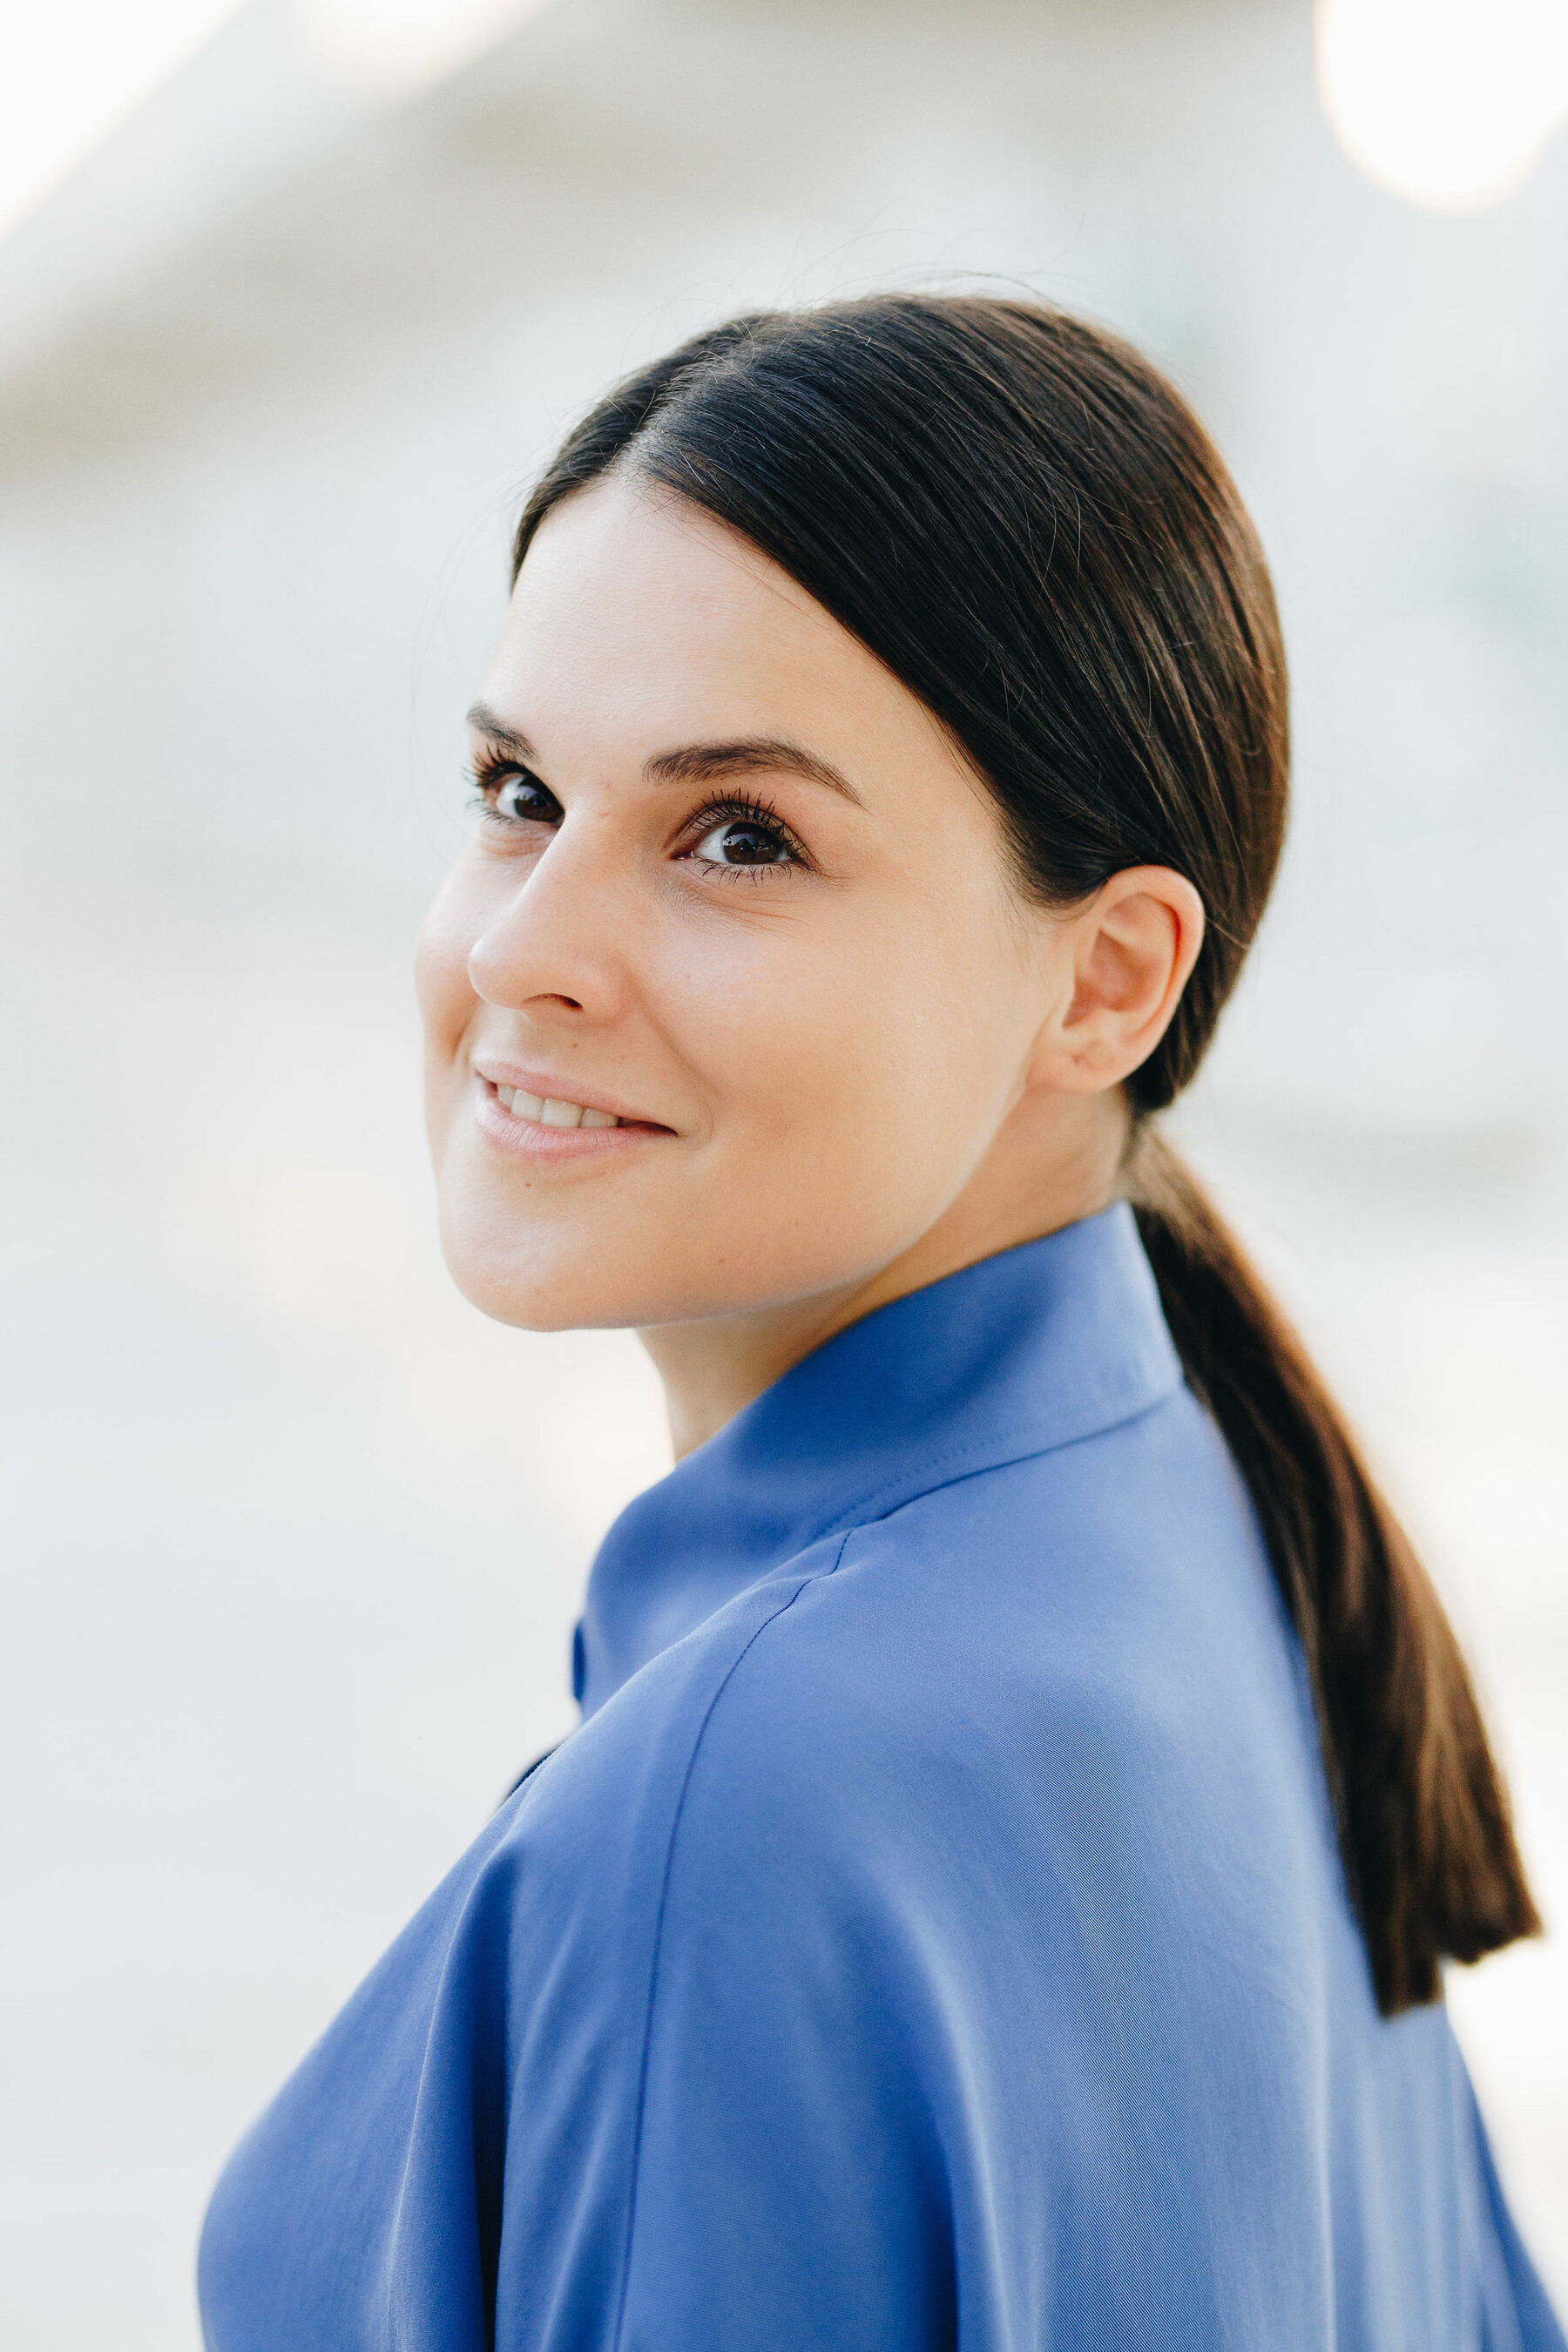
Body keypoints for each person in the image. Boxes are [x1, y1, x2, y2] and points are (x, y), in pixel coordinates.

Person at [198, 296, 1563, 2350]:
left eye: (738, 837)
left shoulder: (751, 1804)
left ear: (1104, 981)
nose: (526, 948)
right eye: (515, 791)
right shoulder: (1223, 1528)